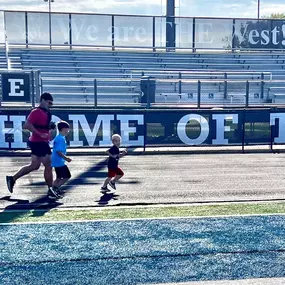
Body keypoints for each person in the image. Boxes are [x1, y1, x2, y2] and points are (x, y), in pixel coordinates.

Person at [6, 92, 57, 198]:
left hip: (39, 142)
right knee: (48, 165)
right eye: (49, 103)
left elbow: (43, 127)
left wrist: (49, 130)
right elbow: (26, 125)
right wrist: (40, 134)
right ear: (43, 100)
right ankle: (50, 190)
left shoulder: (47, 113)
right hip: (38, 142)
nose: (50, 105)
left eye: (51, 104)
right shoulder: (36, 112)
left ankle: (12, 179)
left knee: (34, 165)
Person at [51, 121, 72, 198]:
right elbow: (58, 151)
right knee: (67, 176)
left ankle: (52, 189)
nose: (68, 131)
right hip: (59, 162)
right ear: (63, 129)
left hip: (56, 161)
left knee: (59, 177)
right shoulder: (60, 139)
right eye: (67, 129)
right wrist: (66, 158)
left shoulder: (59, 137)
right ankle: (54, 189)